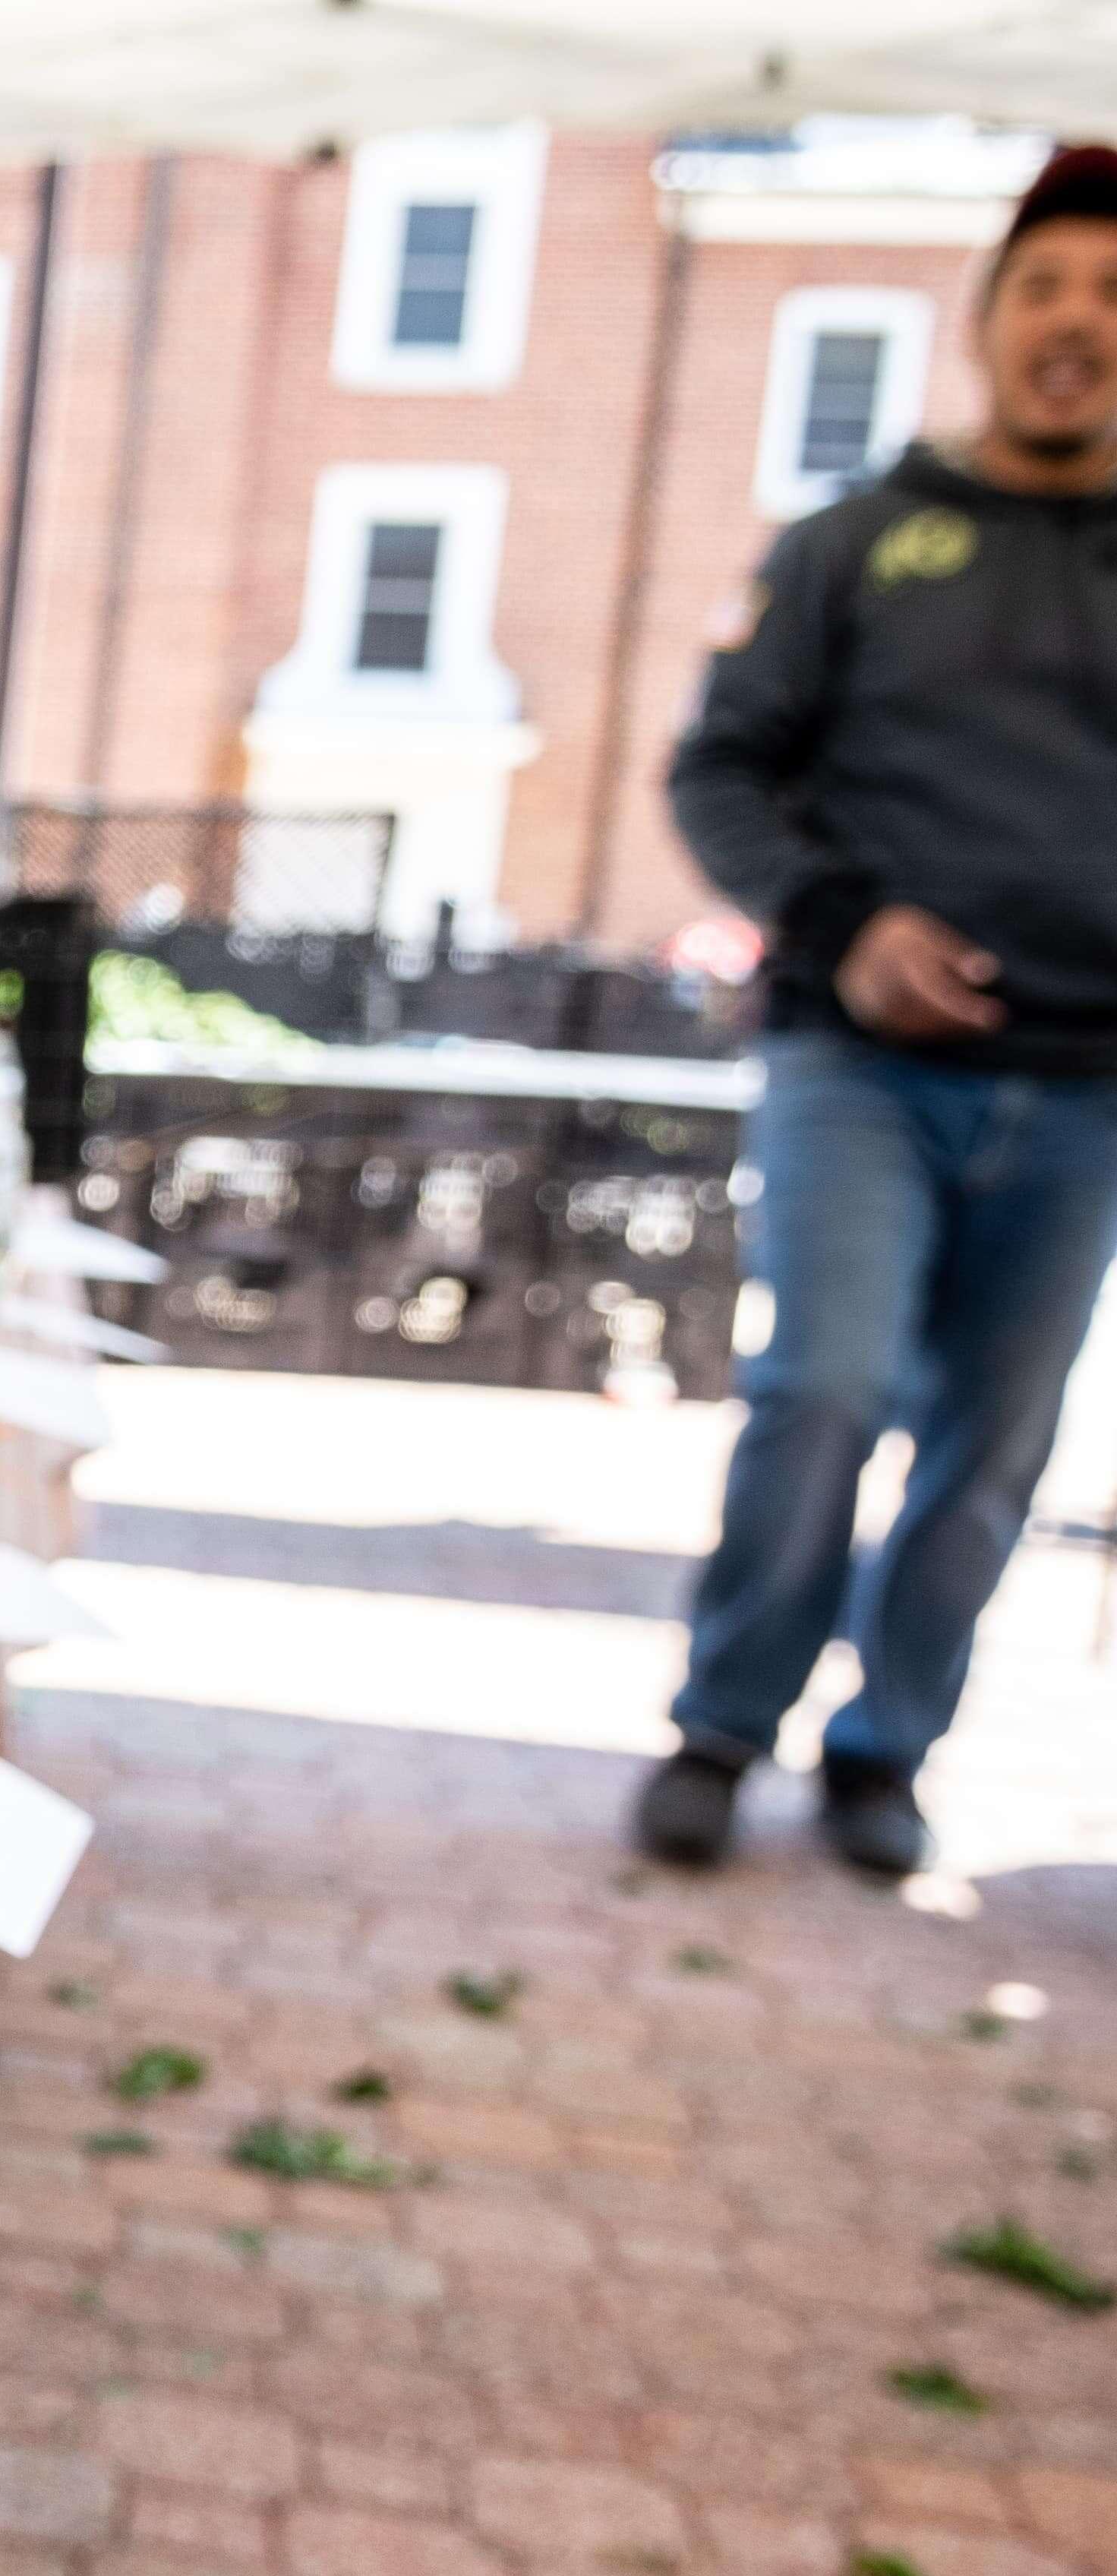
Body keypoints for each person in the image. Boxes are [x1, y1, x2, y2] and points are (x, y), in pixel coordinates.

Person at [643, 144, 1117, 1879]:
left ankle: (887, 1744)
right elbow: (719, 770)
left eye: (1115, 296)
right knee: (823, 1383)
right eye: (1050, 288)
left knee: (997, 1444)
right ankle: (719, 1717)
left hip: (1087, 1087)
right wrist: (844, 925)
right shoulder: (854, 542)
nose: (1081, 325)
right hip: (858, 1064)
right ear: (993, 318)